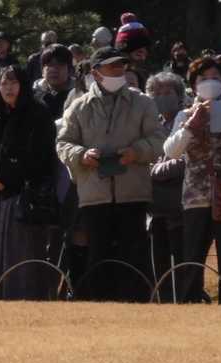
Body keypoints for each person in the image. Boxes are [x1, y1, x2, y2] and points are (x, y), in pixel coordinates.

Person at [56, 46, 165, 302]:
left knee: (134, 260)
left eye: (121, 65)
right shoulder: (78, 107)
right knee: (98, 259)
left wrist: (136, 152)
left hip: (133, 194)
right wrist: (81, 155)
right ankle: (99, 313)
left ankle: (138, 311)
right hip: (94, 196)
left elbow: (159, 139)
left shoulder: (143, 102)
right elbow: (62, 143)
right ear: (96, 72)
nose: (119, 70)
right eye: (112, 66)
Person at [163, 56, 221, 302]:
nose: (210, 83)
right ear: (193, 85)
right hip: (196, 196)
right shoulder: (186, 115)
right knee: (192, 258)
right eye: (203, 79)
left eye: (215, 78)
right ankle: (189, 303)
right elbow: (171, 152)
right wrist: (191, 125)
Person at [0, 64, 58, 299]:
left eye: (14, 82)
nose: (8, 88)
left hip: (27, 196)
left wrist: (6, 179)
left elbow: (39, 156)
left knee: (23, 253)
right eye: (4, 83)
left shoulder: (38, 113)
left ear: (23, 85)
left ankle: (26, 299)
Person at [145, 72, 187, 292]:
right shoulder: (150, 125)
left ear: (179, 95)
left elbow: (183, 162)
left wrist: (153, 170)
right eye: (157, 93)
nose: (162, 97)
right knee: (159, 269)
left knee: (182, 265)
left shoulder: (186, 120)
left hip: (181, 205)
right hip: (155, 208)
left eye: (168, 92)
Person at [37, 43, 75, 120]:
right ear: (42, 71)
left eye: (60, 64)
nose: (54, 69)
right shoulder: (33, 96)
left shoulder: (80, 96)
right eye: (49, 64)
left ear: (70, 70)